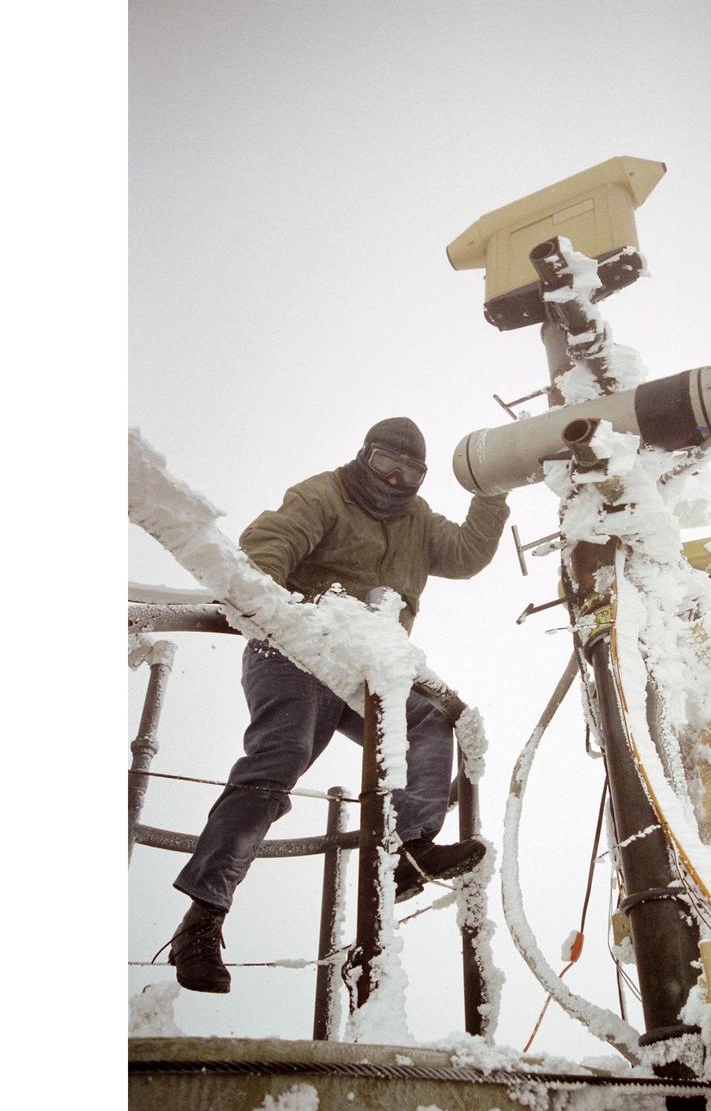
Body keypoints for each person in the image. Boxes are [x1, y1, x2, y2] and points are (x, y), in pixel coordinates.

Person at [165, 417, 509, 993]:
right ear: (363, 456)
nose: (397, 480)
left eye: (412, 472)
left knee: (429, 717)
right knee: (283, 753)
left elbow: (465, 553)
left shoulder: (417, 520)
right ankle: (202, 918)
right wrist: (278, 613)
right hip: (296, 647)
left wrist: (491, 488)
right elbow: (267, 547)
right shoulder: (323, 494)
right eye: (385, 464)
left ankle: (411, 850)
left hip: (366, 665)